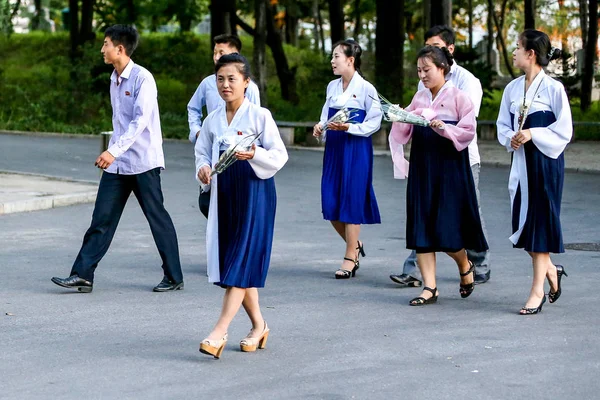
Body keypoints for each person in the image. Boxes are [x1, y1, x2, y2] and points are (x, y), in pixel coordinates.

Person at [51, 25, 184, 293]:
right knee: (101, 219)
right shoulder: (114, 78)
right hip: (119, 164)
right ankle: (82, 274)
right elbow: (120, 123)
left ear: (119, 49)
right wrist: (114, 153)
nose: (102, 49)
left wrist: (113, 150)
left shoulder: (143, 79)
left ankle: (174, 276)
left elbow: (139, 122)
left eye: (106, 44)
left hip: (144, 162)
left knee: (157, 218)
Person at [195, 54, 288, 358]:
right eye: (220, 79)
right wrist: (204, 169)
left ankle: (218, 332)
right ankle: (259, 325)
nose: (225, 85)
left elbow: (279, 155)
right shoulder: (213, 119)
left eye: (232, 78)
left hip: (255, 191)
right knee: (237, 262)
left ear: (246, 83)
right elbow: (202, 151)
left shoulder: (260, 115)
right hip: (225, 193)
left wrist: (256, 154)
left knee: (239, 262)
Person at [390, 25, 491, 288]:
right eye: (419, 71)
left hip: (452, 162)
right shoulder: (420, 93)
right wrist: (400, 117)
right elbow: (406, 127)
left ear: (444, 64)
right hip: (424, 163)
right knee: (422, 222)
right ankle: (428, 286)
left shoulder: (463, 89)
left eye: (427, 70)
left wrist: (442, 126)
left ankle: (469, 263)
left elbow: (468, 128)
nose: (422, 75)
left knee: (451, 223)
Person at [496, 29, 571, 315]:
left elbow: (564, 130)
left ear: (531, 54)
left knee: (540, 224)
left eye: (518, 48)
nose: (514, 52)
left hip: (545, 163)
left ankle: (536, 290)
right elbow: (504, 124)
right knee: (524, 225)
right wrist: (511, 137)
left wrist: (532, 134)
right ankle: (552, 269)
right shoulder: (512, 89)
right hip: (521, 164)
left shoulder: (553, 89)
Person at [313, 39, 382, 279]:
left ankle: (349, 257)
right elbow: (325, 115)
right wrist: (320, 127)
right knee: (330, 203)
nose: (332, 61)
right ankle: (356, 245)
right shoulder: (332, 86)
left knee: (351, 201)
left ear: (350, 60)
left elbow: (374, 121)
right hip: (334, 148)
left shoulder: (367, 89)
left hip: (355, 148)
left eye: (336, 57)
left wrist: (350, 128)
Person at [188, 34, 261, 218]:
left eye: (221, 52)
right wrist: (197, 131)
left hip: (239, 155)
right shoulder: (207, 83)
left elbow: (256, 123)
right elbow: (193, 108)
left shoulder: (249, 88)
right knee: (208, 204)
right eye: (214, 53)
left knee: (236, 210)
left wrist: (253, 153)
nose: (216, 57)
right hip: (213, 150)